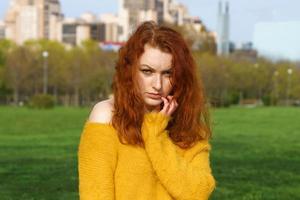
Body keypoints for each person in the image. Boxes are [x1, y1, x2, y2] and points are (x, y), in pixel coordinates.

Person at [78, 21, 216, 200]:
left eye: (168, 73)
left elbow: (197, 194)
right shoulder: (107, 116)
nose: (157, 85)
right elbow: (95, 194)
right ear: (130, 71)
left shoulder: (188, 126)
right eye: (147, 71)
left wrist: (156, 134)